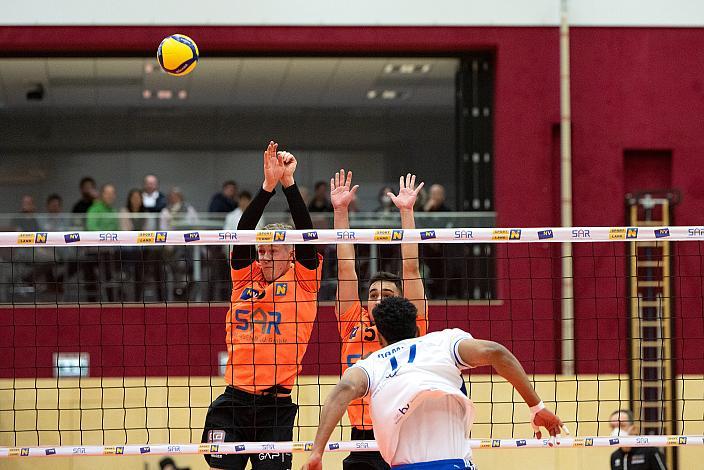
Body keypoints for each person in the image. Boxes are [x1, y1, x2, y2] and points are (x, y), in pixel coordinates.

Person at [303, 296, 566, 470]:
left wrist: (317, 452)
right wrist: (536, 407)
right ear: (416, 329)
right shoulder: (444, 341)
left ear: (380, 336)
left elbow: (342, 391)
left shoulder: (372, 363)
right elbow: (497, 352)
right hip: (455, 464)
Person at [201, 141, 323, 470]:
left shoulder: (304, 281)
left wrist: (289, 184)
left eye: (275, 249)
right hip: (233, 401)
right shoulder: (245, 278)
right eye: (263, 249)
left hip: (275, 407)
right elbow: (243, 234)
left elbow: (307, 235)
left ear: (292, 253)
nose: (266, 255)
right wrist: (267, 187)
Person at [332, 170, 428, 470]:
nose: (378, 299)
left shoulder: (410, 325)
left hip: (404, 432)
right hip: (362, 437)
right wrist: (340, 211)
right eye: (373, 294)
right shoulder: (352, 320)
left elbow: (410, 268)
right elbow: (346, 267)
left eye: (387, 294)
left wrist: (407, 212)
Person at [85, 184, 119, 301]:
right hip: (95, 251)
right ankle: (95, 301)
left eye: (112, 193)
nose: (110, 196)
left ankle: (113, 299)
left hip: (112, 250)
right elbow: (91, 228)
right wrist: (107, 238)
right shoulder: (94, 209)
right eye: (107, 193)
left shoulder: (114, 211)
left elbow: (117, 230)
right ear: (102, 194)